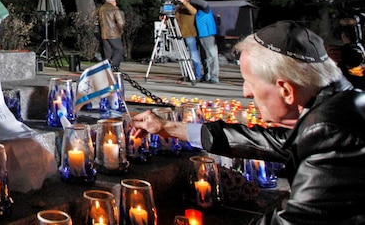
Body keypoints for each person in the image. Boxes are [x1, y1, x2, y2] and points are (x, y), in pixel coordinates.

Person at [130, 21, 365, 225]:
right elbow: (272, 141)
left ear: (285, 90)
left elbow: (293, 219)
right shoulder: (337, 103)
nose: (246, 92)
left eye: (250, 82)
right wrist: (168, 128)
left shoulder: (333, 133)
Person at [191, 0, 219, 83]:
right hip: (202, 35)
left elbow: (204, 3)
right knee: (205, 57)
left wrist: (189, 0)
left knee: (212, 56)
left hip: (208, 34)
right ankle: (207, 75)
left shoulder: (205, 8)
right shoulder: (199, 11)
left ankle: (214, 76)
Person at [175, 0, 202, 82]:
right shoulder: (178, 9)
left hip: (189, 35)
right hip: (180, 35)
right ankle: (187, 74)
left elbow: (193, 11)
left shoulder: (190, 7)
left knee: (193, 55)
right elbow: (175, 21)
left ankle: (197, 75)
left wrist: (185, 2)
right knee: (183, 56)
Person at [98, 0, 125, 68]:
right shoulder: (114, 9)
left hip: (104, 34)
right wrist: (121, 31)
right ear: (113, 1)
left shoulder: (101, 9)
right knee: (119, 50)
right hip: (113, 34)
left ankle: (106, 68)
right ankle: (113, 66)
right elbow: (121, 22)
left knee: (108, 53)